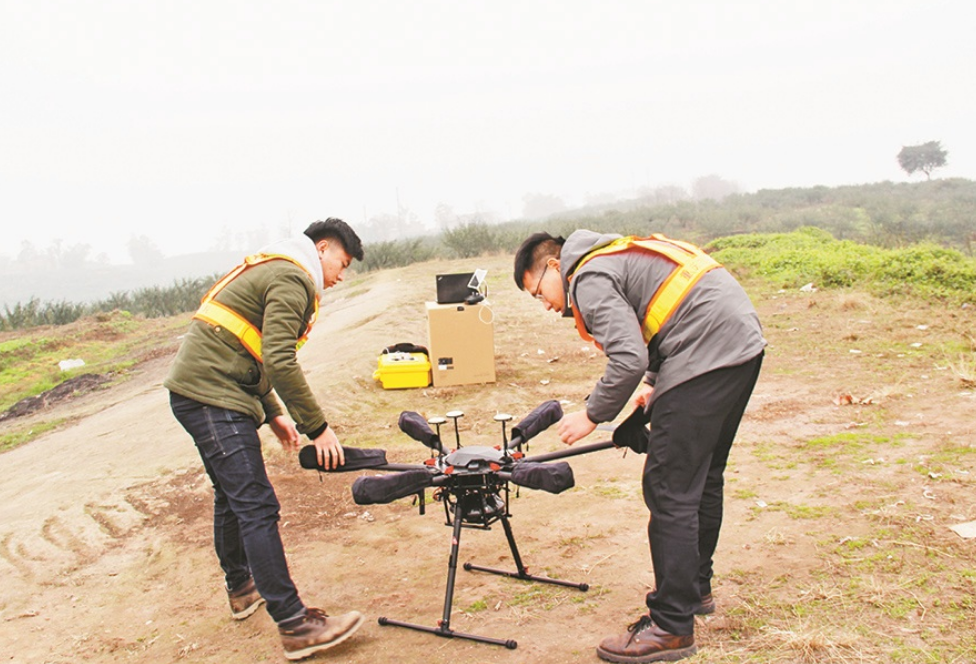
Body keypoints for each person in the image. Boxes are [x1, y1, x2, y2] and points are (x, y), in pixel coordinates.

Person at [513, 230, 765, 663]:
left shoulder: (587, 275)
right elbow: (661, 315)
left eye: (538, 293)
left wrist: (592, 414)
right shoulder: (617, 252)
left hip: (706, 351)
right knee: (702, 477)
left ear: (555, 268)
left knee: (669, 488)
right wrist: (652, 388)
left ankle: (670, 627)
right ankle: (694, 590)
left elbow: (629, 356)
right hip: (740, 345)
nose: (547, 305)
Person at [165, 218, 366, 661]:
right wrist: (318, 427)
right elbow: (278, 357)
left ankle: (241, 589)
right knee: (256, 504)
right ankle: (295, 625)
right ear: (323, 247)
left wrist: (274, 413)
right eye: (342, 263)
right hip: (212, 398)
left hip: (201, 393)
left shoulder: (276, 269)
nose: (339, 276)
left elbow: (248, 346)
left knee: (231, 496)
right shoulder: (294, 276)